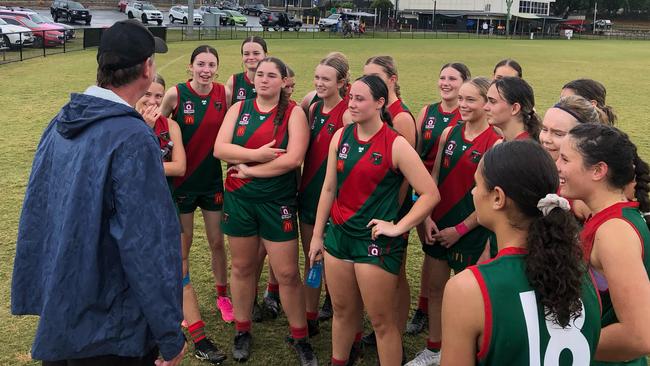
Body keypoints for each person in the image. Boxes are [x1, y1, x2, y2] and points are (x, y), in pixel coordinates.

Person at [12, 20, 186, 366]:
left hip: (65, 309)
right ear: (147, 69)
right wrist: (169, 333)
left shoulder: (64, 119)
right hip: (112, 329)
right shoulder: (133, 138)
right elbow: (146, 243)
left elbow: (38, 212)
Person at [308, 74, 439, 366]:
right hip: (338, 238)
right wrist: (318, 235)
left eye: (359, 99)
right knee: (342, 313)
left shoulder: (396, 144)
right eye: (350, 97)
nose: (351, 104)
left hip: (374, 244)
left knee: (381, 322)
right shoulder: (340, 136)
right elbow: (329, 188)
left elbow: (430, 193)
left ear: (380, 103)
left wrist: (399, 227)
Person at [440, 140, 602, 365]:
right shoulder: (582, 276)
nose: (473, 192)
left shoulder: (468, 289)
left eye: (476, 184)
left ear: (498, 197)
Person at [214, 57, 317, 365]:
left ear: (284, 81)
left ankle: (300, 336)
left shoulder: (294, 113)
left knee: (287, 273)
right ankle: (242, 330)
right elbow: (220, 149)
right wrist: (256, 155)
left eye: (272, 75)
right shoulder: (240, 108)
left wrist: (250, 170)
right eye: (260, 74)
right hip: (240, 200)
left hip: (277, 201)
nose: (264, 79)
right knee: (243, 268)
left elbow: (291, 159)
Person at [407, 77, 501, 366]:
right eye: (460, 98)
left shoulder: (496, 143)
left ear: (486, 103)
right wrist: (428, 217)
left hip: (471, 231)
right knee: (436, 289)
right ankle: (434, 348)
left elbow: (491, 200)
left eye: (470, 100)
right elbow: (433, 179)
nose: (462, 104)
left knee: (471, 299)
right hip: (438, 226)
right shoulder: (449, 132)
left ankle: (469, 353)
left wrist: (459, 230)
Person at [137, 74, 227, 364]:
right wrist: (146, 132)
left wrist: (151, 155)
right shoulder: (126, 123)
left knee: (180, 267)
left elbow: (179, 167)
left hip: (165, 206)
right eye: (147, 94)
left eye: (157, 96)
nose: (152, 101)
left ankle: (200, 338)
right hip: (133, 211)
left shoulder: (170, 125)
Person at [558, 124, 650, 364]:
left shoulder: (613, 232)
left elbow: (639, 336)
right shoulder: (607, 214)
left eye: (565, 159)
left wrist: (561, 345)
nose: (557, 166)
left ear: (598, 170)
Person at [160, 45, 233, 325]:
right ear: (190, 66)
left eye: (211, 65)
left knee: (217, 241)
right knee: (184, 244)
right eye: (200, 64)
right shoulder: (176, 94)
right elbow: (158, 125)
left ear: (217, 67)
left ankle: (223, 296)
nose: (206, 70)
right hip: (182, 182)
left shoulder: (223, 95)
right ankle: (179, 299)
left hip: (212, 180)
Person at [409, 62, 470, 336]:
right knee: (430, 252)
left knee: (448, 258)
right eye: (442, 77)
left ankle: (447, 316)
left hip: (455, 194)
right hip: (427, 193)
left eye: (452, 79)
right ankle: (424, 308)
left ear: (464, 83)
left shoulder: (468, 112)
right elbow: (417, 152)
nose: (445, 83)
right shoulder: (428, 112)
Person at [362, 55, 418, 351]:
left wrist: (394, 214)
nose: (368, 81)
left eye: (375, 76)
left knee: (395, 272)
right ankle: (383, 327)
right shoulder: (383, 109)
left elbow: (407, 175)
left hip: (393, 209)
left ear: (392, 79)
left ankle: (393, 329)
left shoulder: (401, 116)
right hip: (377, 206)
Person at [298, 53, 352, 338]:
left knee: (336, 262)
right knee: (312, 258)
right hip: (309, 193)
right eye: (317, 77)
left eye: (326, 79)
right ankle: (310, 317)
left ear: (342, 82)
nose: (319, 83)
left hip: (334, 198)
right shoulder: (313, 106)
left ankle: (339, 311)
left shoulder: (346, 113)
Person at [539, 95, 604, 222]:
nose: (546, 139)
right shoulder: (544, 168)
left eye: (558, 134)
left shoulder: (583, 189)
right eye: (544, 129)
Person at [484, 76, 540, 141]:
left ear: (515, 108)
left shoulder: (523, 148)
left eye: (492, 101)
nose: (485, 107)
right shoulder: (513, 143)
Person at [226, 36, 267, 107]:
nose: (251, 57)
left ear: (265, 55)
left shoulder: (273, 81)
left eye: (256, 53)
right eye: (246, 54)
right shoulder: (234, 80)